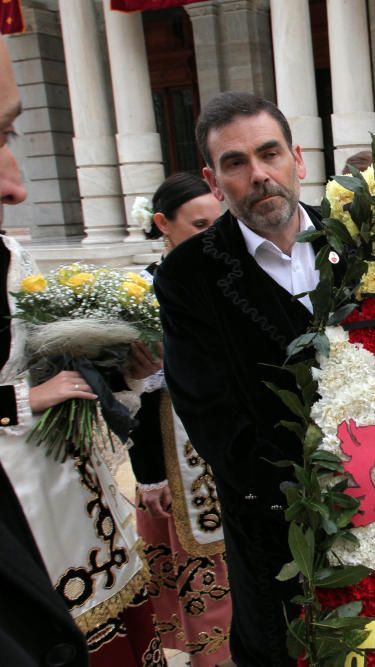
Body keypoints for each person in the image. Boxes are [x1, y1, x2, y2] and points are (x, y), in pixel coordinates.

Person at [155, 91, 342, 666]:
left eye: (269, 153)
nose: (258, 175)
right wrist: (311, 495)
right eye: (235, 163)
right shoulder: (189, 276)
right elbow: (210, 415)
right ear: (214, 182)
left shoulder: (362, 242)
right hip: (272, 523)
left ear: (299, 159)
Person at [0, 38, 163, 667]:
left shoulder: (18, 262)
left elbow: (60, 374)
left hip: (77, 486)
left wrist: (118, 377)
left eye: (12, 133)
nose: (18, 187)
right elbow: (31, 389)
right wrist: (19, 400)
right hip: (22, 510)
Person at [131, 172, 232, 667]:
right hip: (178, 448)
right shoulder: (141, 293)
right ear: (162, 225)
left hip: (232, 439)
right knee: (198, 561)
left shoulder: (234, 279)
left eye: (219, 224)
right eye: (199, 226)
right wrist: (149, 473)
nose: (212, 237)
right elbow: (138, 401)